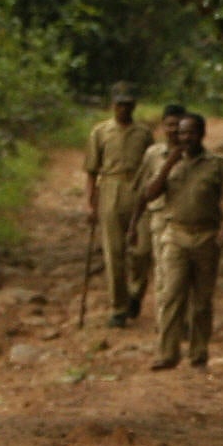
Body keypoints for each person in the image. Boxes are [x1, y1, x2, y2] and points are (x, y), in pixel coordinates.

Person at [140, 113, 223, 370]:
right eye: (182, 133)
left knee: (202, 300)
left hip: (206, 236)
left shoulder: (216, 164)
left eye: (191, 133)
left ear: (202, 134)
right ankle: (167, 353)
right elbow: (150, 194)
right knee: (171, 295)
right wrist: (167, 165)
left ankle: (198, 353)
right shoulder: (168, 161)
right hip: (175, 234)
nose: (186, 138)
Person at [82, 85, 155, 326]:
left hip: (138, 189)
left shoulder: (144, 133)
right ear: (112, 105)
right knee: (114, 252)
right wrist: (91, 203)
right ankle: (118, 308)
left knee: (143, 250)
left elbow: (154, 165)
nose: (123, 108)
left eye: (128, 104)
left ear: (134, 106)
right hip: (110, 189)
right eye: (119, 104)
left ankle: (135, 292)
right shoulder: (100, 132)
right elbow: (92, 171)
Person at [128, 102, 188, 321]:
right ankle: (165, 323)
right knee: (158, 269)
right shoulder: (153, 154)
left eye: (178, 125)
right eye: (169, 125)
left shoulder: (194, 156)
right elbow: (142, 191)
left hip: (184, 221)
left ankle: (175, 321)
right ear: (163, 126)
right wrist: (134, 224)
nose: (173, 130)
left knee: (175, 274)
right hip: (158, 217)